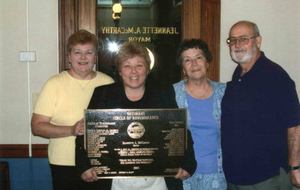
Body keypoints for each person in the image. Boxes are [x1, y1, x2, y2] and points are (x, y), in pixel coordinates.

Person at [76, 41, 197, 190]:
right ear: (120, 71)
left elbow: (179, 129)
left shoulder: (163, 94)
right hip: (115, 181)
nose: (134, 71)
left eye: (139, 65)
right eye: (127, 65)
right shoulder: (103, 94)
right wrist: (84, 165)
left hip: (156, 181)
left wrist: (188, 163)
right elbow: (86, 133)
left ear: (147, 69)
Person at [31, 29, 114, 190]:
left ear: (95, 57)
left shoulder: (108, 83)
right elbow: (37, 126)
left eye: (88, 52)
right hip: (64, 165)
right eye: (77, 52)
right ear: (69, 57)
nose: (83, 58)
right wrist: (71, 130)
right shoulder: (54, 84)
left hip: (101, 163)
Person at [221, 20, 300, 189]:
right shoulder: (238, 75)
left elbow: (294, 126)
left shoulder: (276, 76)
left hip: (266, 177)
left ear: (258, 41)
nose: (237, 44)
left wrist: (294, 168)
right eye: (233, 40)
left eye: (244, 39)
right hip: (235, 176)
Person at [173, 39, 227, 190]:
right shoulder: (171, 94)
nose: (194, 64)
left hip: (219, 176)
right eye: (187, 60)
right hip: (184, 176)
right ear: (183, 68)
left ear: (207, 63)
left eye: (198, 57)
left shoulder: (225, 93)